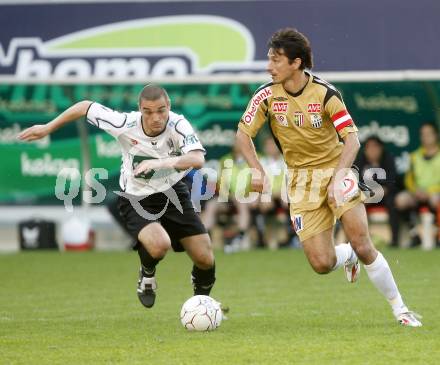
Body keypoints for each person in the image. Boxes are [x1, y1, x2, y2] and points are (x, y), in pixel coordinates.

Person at [235, 28, 422, 326]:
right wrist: (257, 171)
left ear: (296, 63)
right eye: (269, 60)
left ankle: (401, 309)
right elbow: (243, 136)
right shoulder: (266, 96)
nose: (269, 66)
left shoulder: (325, 93)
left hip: (336, 169)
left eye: (276, 60)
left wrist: (337, 179)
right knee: (321, 264)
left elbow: (352, 140)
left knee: (363, 242)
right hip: (299, 181)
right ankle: (346, 256)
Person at [18, 84, 217, 309]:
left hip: (173, 192)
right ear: (140, 109)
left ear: (169, 106)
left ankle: (203, 305)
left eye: (161, 110)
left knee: (205, 258)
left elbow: (197, 159)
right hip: (136, 197)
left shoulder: (178, 124)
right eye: (148, 111)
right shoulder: (125, 123)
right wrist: (48, 127)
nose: (156, 117)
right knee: (160, 245)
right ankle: (147, 274)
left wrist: (159, 163)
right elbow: (85, 106)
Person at [395, 122, 440, 246]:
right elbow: (408, 179)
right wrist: (415, 190)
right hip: (418, 192)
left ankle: (437, 236)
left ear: (435, 135)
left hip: (435, 193)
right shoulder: (415, 155)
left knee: (436, 199)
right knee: (400, 200)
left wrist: (430, 192)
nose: (426, 137)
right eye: (423, 134)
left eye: (429, 134)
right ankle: (414, 233)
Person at [355, 136, 400, 247]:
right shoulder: (360, 160)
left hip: (385, 195)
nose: (372, 150)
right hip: (367, 195)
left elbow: (392, 181)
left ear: (381, 148)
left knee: (393, 202)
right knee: (355, 203)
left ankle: (394, 241)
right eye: (369, 147)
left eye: (375, 147)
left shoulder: (388, 159)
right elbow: (356, 182)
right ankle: (357, 240)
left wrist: (380, 191)